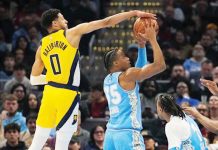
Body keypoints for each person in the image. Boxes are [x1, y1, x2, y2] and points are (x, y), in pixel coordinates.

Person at [29, 8, 156, 150]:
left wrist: (53, 79)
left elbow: (33, 79)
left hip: (49, 93)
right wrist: (134, 13)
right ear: (55, 23)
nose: (66, 20)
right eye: (62, 18)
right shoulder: (71, 34)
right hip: (67, 94)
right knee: (62, 143)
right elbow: (106, 22)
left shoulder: (42, 45)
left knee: (37, 142)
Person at [103, 20, 166, 150]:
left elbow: (139, 71)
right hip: (127, 133)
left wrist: (142, 45)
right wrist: (153, 39)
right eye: (124, 56)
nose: (128, 58)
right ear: (115, 63)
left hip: (111, 134)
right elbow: (160, 66)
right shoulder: (128, 75)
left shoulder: (107, 80)